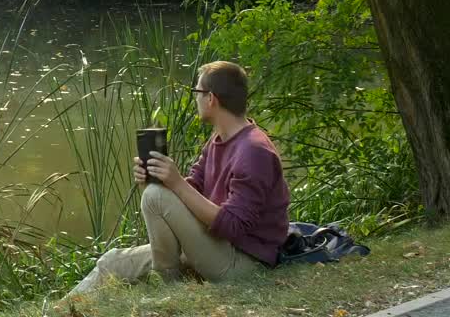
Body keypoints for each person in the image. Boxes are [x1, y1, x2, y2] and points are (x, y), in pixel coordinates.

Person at [67, 61, 290, 296]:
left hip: (245, 264)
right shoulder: (219, 140)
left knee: (155, 196)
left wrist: (174, 183)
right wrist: (153, 179)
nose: (196, 99)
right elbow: (189, 192)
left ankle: (168, 288)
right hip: (214, 247)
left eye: (197, 92)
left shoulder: (254, 151)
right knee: (111, 261)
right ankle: (55, 311)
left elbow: (233, 227)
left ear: (211, 98)